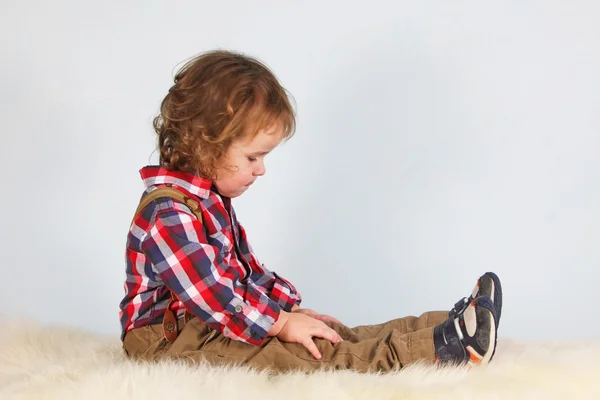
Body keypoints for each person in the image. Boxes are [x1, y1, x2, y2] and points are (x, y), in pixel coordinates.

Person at [118, 49, 503, 374]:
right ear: (205, 144)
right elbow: (215, 296)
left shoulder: (209, 202)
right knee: (312, 356)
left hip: (212, 322)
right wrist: (280, 323)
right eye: (253, 157)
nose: (261, 169)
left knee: (334, 333)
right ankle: (443, 349)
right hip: (169, 342)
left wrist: (290, 309)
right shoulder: (168, 213)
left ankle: (445, 324)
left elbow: (243, 272)